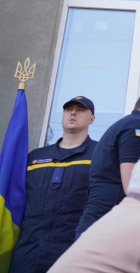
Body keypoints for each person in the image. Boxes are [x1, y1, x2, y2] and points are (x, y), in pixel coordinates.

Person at [9, 96, 98, 273]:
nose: (73, 113)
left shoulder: (100, 155)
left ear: (92, 119)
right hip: (27, 254)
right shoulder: (35, 157)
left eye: (80, 110)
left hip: (72, 254)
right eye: (68, 109)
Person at [75, 93, 140, 237]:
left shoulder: (127, 123)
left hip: (96, 225)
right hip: (104, 229)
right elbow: (132, 187)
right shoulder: (136, 125)